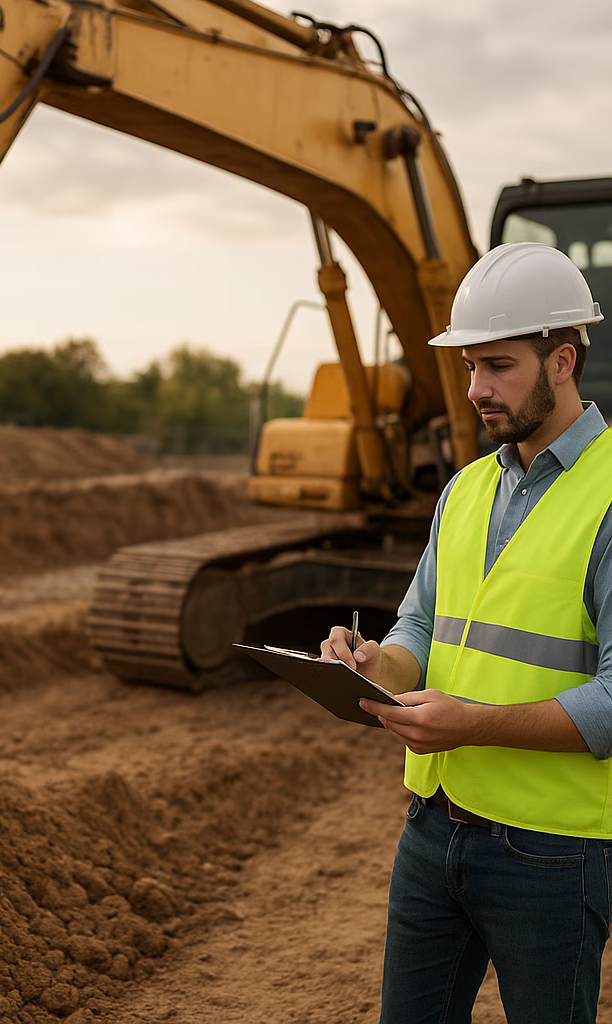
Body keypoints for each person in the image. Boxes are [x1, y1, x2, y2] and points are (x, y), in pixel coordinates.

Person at [320, 241, 612, 1024]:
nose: (477, 389)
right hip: (431, 828)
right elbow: (422, 622)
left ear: (562, 360)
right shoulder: (466, 488)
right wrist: (374, 662)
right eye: (470, 367)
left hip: (552, 851)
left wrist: (471, 723)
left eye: (498, 366)